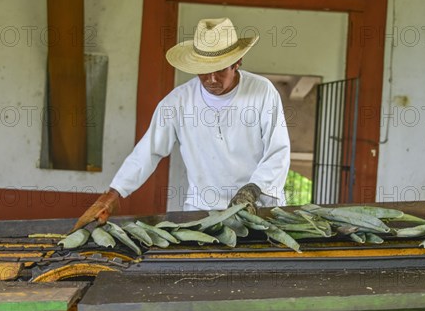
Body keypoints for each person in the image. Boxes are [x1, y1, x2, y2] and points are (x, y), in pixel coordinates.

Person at [72, 17, 290, 231]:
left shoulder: (262, 92)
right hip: (203, 211)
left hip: (258, 209)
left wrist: (253, 190)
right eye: (204, 71)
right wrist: (113, 194)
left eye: (221, 69)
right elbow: (147, 151)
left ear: (237, 62)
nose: (212, 79)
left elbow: (278, 150)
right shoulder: (178, 102)